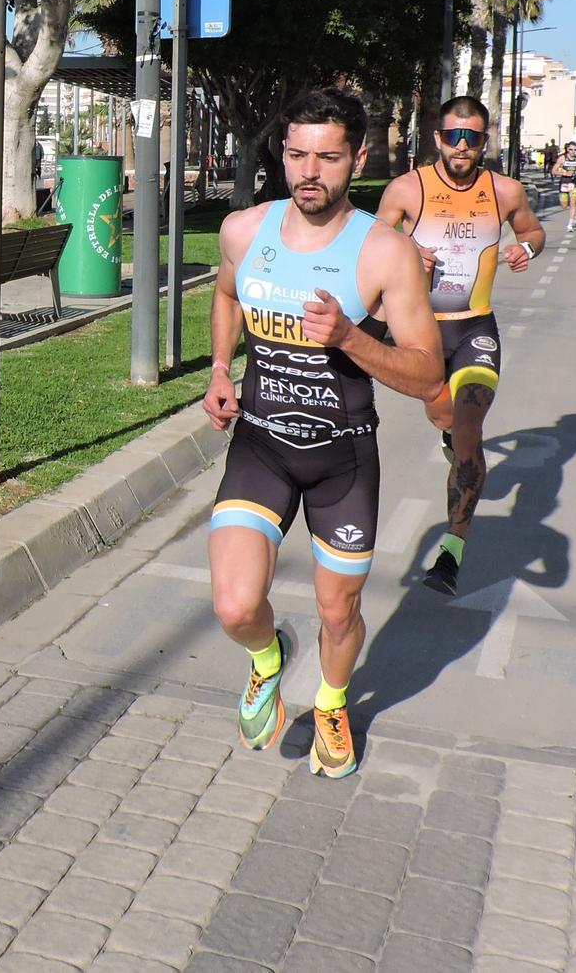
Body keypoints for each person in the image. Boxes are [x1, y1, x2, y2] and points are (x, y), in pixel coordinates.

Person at [202, 88, 444, 778]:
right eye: (297, 154)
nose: (310, 171)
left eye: (328, 157)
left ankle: (332, 701)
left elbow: (427, 373)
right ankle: (268, 657)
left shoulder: (386, 253)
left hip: (343, 460)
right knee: (234, 603)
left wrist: (349, 338)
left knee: (339, 614)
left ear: (357, 157)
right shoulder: (245, 231)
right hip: (261, 446)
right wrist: (221, 368)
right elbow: (226, 294)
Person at [374, 97, 547, 597]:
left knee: (469, 430)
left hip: (475, 329)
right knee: (446, 418)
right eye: (454, 136)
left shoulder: (505, 191)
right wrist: (407, 251)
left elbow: (534, 229)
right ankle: (450, 433)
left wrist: (526, 247)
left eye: (473, 137)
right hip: (420, 332)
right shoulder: (408, 189)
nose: (463, 146)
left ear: (484, 141)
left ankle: (452, 550)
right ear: (438, 138)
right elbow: (371, 242)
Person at [553, 141, 576, 228]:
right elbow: (553, 171)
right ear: (567, 149)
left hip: (574, 183)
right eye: (571, 149)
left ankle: (570, 224)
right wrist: (565, 173)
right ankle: (564, 205)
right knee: (564, 205)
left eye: (575, 150)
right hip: (564, 183)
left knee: (573, 203)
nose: (573, 151)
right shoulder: (562, 159)